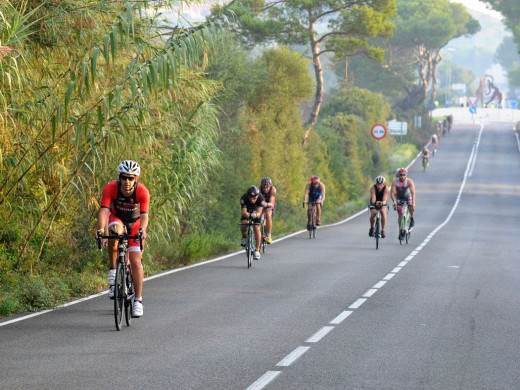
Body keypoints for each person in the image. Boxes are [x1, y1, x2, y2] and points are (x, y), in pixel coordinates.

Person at [95, 160, 150, 317]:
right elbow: (104, 211)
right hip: (117, 219)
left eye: (131, 178)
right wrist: (100, 230)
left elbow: (144, 215)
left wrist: (142, 230)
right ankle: (113, 271)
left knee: (135, 261)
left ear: (135, 179)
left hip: (135, 223)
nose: (127, 181)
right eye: (124, 178)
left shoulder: (142, 191)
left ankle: (138, 300)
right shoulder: (111, 188)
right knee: (114, 230)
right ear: (120, 178)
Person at [240, 185, 266, 260]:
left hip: (257, 212)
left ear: (257, 196)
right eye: (250, 198)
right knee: (244, 223)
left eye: (254, 198)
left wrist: (256, 214)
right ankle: (244, 237)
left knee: (257, 227)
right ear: (248, 196)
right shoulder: (244, 198)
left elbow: (259, 213)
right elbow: (243, 211)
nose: (252, 200)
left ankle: (257, 250)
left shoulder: (261, 199)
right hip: (248, 211)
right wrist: (246, 214)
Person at [390, 167, 416, 239]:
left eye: (404, 175)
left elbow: (413, 193)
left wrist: (413, 202)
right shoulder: (395, 182)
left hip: (407, 197)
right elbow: (392, 193)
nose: (402, 176)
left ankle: (411, 218)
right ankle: (401, 230)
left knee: (410, 205)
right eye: (401, 175)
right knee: (400, 214)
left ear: (406, 175)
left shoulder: (409, 181)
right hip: (399, 198)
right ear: (399, 175)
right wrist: (394, 202)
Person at [259, 177, 277, 244]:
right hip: (261, 202)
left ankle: (269, 235)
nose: (265, 189)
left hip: (269, 202)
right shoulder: (259, 189)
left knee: (268, 215)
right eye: (264, 187)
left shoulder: (273, 190)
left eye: (267, 188)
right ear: (261, 186)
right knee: (259, 215)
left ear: (270, 186)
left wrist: (266, 204)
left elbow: (271, 202)